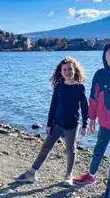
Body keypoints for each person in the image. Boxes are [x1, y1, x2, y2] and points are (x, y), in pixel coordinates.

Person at [16, 56, 88, 187]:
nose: (67, 72)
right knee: (46, 147)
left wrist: (85, 125)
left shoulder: (79, 88)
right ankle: (31, 173)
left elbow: (84, 107)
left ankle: (68, 176)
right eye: (64, 70)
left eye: (69, 69)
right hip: (57, 124)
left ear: (75, 70)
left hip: (72, 125)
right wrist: (49, 124)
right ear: (61, 72)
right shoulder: (59, 87)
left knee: (71, 150)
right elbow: (53, 107)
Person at [73, 42, 110, 185]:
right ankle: (91, 175)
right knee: (99, 148)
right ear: (104, 56)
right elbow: (93, 99)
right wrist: (92, 119)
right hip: (105, 121)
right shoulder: (99, 74)